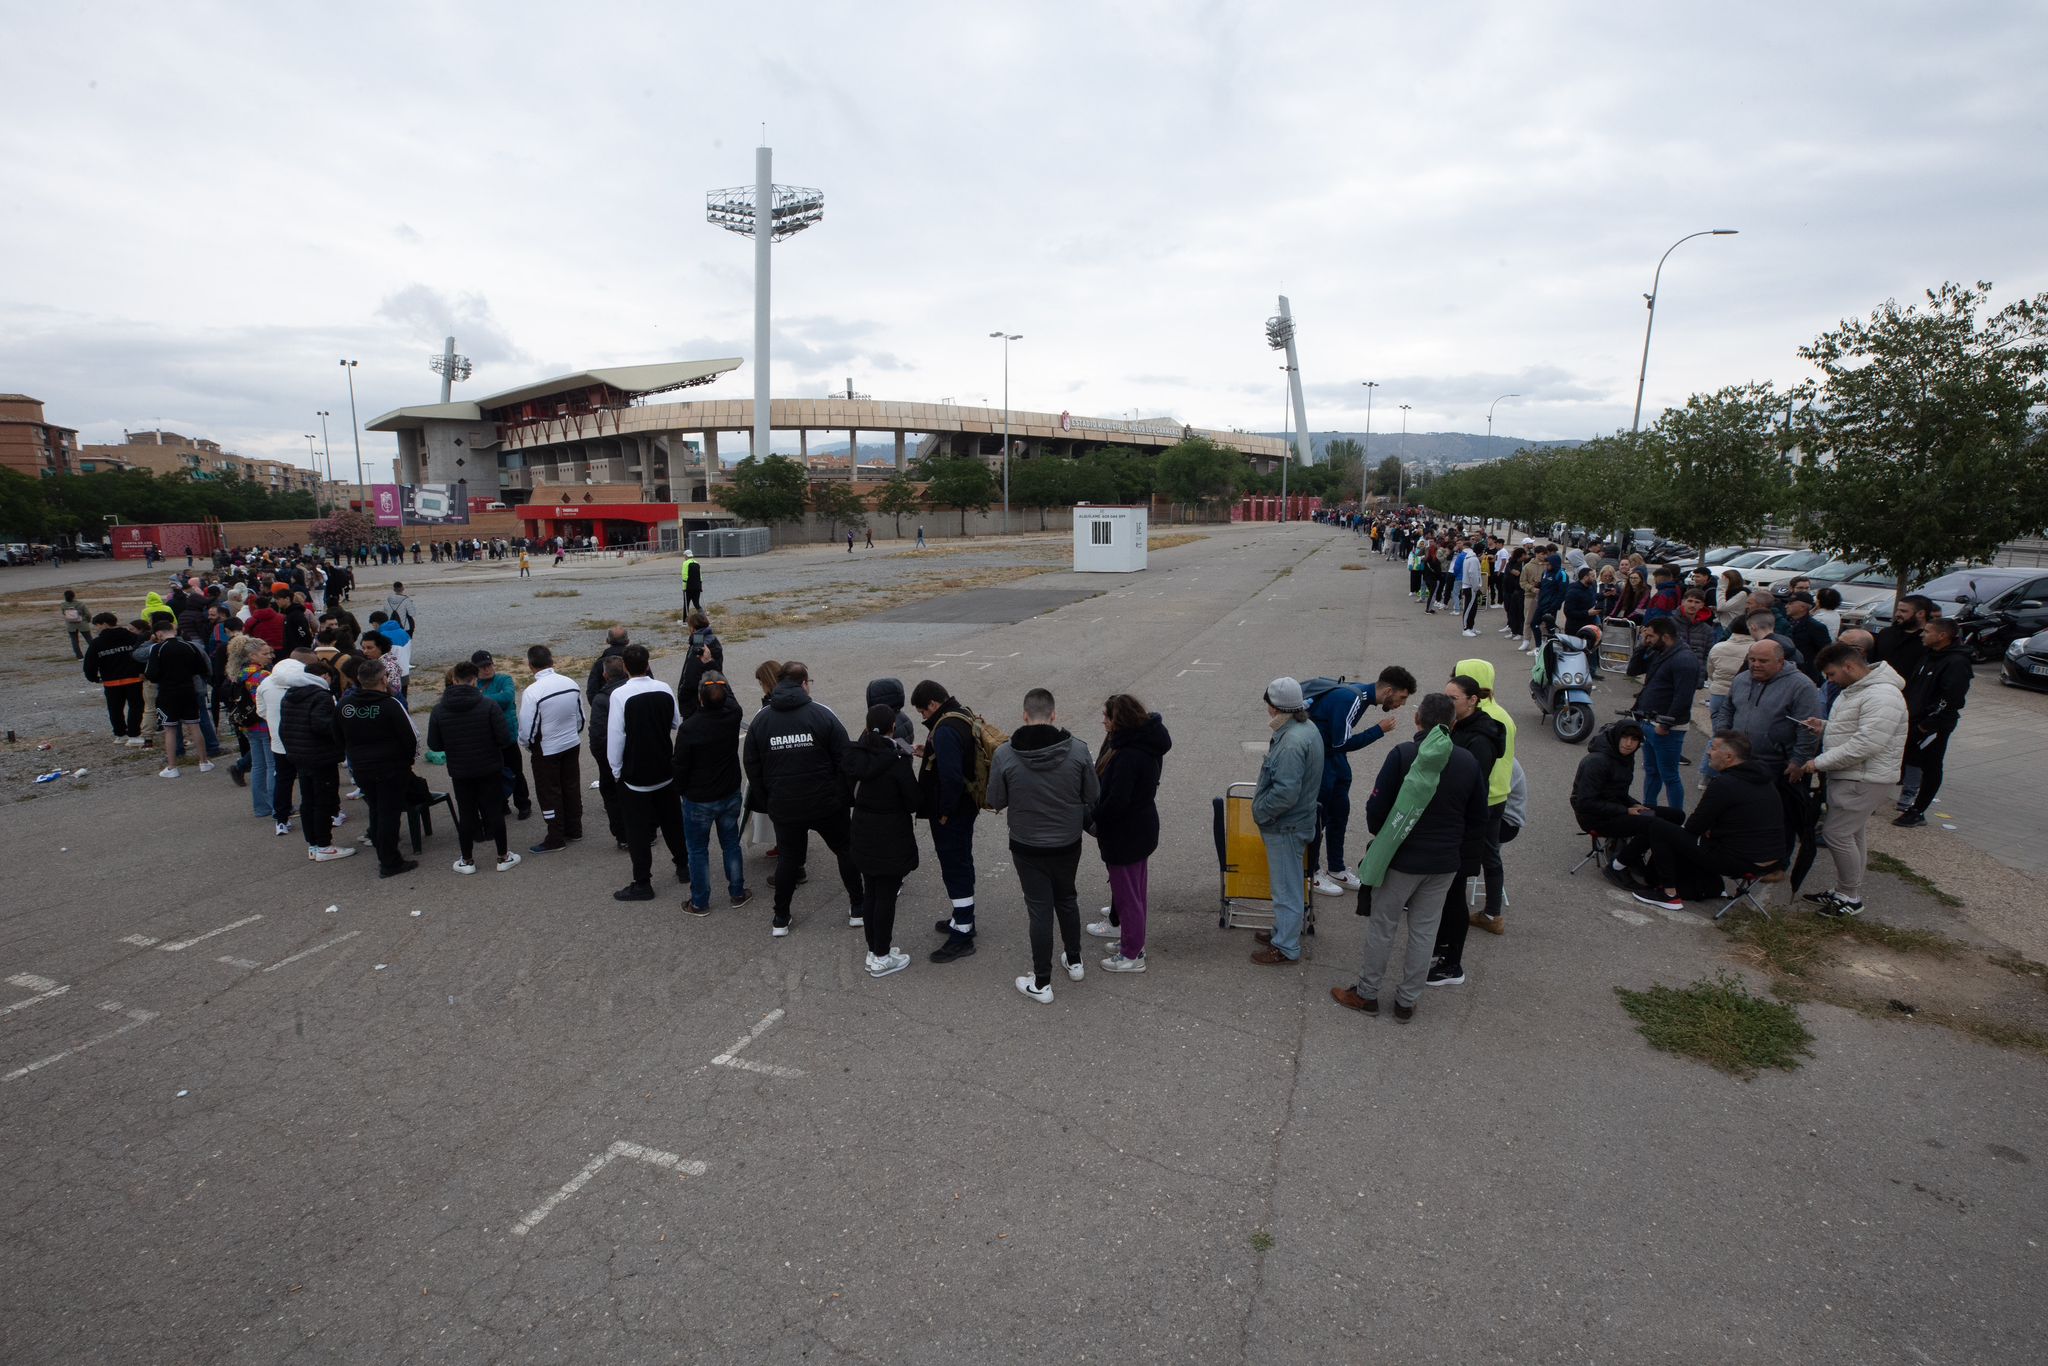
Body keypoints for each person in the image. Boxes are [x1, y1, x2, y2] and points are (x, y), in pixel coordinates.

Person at [1330, 693, 1489, 1022]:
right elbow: (1477, 818)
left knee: (1383, 927)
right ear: (1453, 723)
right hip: (1444, 862)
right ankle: (1406, 1002)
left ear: (1418, 721)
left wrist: (1383, 837)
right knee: (1424, 931)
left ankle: (1367, 993)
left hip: (1401, 859)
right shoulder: (1467, 761)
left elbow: (1376, 808)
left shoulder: (1403, 754)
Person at [985, 688, 1100, 1004]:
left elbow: (995, 799)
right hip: (1067, 841)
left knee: (1039, 909)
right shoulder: (1078, 750)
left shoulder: (1005, 755)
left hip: (1027, 845)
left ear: (1024, 715)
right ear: (1053, 715)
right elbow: (1092, 794)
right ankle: (1074, 961)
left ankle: (1042, 981)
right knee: (1067, 898)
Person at [743, 661, 863, 937]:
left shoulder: (762, 718)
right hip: (827, 803)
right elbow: (844, 758)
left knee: (788, 859)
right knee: (844, 850)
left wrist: (769, 799)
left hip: (785, 805)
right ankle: (858, 907)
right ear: (805, 683)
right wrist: (841, 795)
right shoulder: (823, 714)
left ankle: (780, 919)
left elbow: (752, 765)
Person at [1615, 731, 1785, 910]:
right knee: (1691, 836)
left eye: (1713, 748)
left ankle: (1668, 894)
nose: (1708, 752)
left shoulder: (1724, 783)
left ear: (1728, 756)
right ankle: (1711, 886)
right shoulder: (1764, 779)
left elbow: (1693, 827)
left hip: (1741, 861)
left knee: (1659, 827)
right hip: (1770, 862)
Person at [1797, 642, 1906, 916]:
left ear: (1849, 666)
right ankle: (1846, 891)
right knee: (1853, 834)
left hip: (1864, 777)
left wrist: (1818, 763)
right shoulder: (1859, 690)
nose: (1830, 681)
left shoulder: (1882, 695)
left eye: (1832, 675)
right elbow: (1855, 728)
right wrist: (1825, 727)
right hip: (1855, 774)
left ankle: (1850, 896)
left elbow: (1867, 743)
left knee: (1837, 834)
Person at [1306, 667, 1416, 896]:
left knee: (1340, 813)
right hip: (1323, 763)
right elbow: (1340, 743)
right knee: (1320, 817)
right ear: (1388, 691)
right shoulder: (1352, 699)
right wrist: (1378, 730)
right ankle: (1311, 872)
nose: (1402, 704)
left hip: (1334, 763)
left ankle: (1335, 868)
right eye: (1402, 697)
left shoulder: (1360, 696)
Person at [1083, 694, 1171, 973]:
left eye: (1107, 717)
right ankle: (1132, 942)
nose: (1103, 721)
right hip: (1141, 829)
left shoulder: (1127, 755)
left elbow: (1116, 803)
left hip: (1126, 835)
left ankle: (1132, 954)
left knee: (1128, 897)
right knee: (1136, 892)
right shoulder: (1145, 743)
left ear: (1118, 721)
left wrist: (1091, 816)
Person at [1427, 675, 1505, 988]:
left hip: (1463, 826)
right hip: (1450, 822)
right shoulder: (1456, 726)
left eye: (1453, 698)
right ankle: (1438, 947)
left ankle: (1451, 962)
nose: (1447, 703)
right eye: (1444, 697)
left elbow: (1468, 784)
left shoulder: (1481, 739)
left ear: (1472, 700)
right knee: (1444, 892)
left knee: (1455, 893)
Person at [1248, 678, 1324, 967]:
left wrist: (1261, 812)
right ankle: (1282, 931)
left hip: (1285, 826)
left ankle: (1286, 946)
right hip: (1298, 821)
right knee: (1287, 885)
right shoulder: (1306, 728)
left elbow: (1285, 793)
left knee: (1286, 889)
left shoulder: (1291, 742)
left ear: (1274, 706)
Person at [606, 645, 688, 902]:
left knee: (637, 830)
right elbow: (677, 722)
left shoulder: (620, 695)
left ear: (626, 667)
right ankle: (684, 866)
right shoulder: (664, 688)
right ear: (648, 663)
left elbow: (616, 737)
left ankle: (642, 881)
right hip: (664, 767)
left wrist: (616, 770)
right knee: (673, 821)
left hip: (635, 773)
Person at [843, 702, 919, 977]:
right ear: (894, 727)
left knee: (871, 892)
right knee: (886, 895)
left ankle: (874, 948)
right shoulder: (897, 763)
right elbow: (913, 801)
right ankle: (881, 956)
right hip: (890, 835)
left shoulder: (855, 757)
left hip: (862, 830)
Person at [911, 679, 983, 962]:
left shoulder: (945, 730)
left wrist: (943, 812)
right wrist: (926, 752)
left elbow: (952, 778)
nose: (923, 717)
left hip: (953, 813)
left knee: (955, 867)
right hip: (966, 807)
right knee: (961, 861)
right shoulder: (961, 714)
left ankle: (963, 933)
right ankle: (962, 918)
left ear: (933, 704)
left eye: (923, 712)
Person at [428, 660, 518, 874]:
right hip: (489, 766)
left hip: (461, 769)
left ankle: (467, 860)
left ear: (454, 680)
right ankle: (503, 856)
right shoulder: (488, 705)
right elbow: (503, 737)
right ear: (475, 680)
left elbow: (435, 744)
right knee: (494, 810)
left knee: (466, 813)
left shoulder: (439, 709)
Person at [673, 669, 751, 915]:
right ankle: (737, 892)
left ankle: (700, 901)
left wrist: (681, 790)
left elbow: (680, 766)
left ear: (700, 698)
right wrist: (719, 678)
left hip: (699, 797)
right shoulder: (733, 716)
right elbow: (732, 700)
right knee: (730, 843)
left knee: (697, 850)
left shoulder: (690, 728)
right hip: (728, 792)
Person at [339, 662, 420, 878]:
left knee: (376, 809)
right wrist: (406, 761)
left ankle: (382, 850)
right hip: (390, 768)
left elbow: (336, 736)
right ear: (383, 679)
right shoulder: (390, 705)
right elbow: (409, 738)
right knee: (389, 814)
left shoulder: (345, 705)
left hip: (362, 768)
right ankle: (390, 861)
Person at [1895, 618, 1971, 827]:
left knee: (1931, 766)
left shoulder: (1956, 662)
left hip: (1932, 727)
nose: (1922, 634)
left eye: (1927, 631)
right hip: (1913, 719)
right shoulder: (1929, 655)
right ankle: (1905, 798)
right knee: (1909, 759)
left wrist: (1927, 725)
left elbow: (1953, 699)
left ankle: (1917, 810)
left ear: (1942, 636)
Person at [279, 659, 354, 862]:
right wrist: (340, 725)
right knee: (324, 800)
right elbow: (322, 725)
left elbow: (283, 727)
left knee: (308, 800)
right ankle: (324, 844)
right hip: (320, 756)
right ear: (324, 677)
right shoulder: (320, 696)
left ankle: (313, 844)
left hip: (300, 755)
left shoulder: (291, 694)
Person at [1627, 616, 1703, 814]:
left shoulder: (1684, 660)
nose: (1648, 639)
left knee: (1669, 776)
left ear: (1666, 636)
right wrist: (1642, 647)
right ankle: (1648, 808)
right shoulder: (1659, 652)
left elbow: (1683, 697)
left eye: (1651, 636)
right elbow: (1632, 670)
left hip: (1667, 729)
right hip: (1649, 723)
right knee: (1651, 772)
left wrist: (1665, 725)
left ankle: (1675, 816)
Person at [518, 644, 587, 854]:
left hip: (547, 749)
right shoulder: (570, 683)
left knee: (549, 793)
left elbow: (527, 729)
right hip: (571, 743)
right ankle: (574, 828)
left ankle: (555, 837)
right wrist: (572, 735)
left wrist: (529, 746)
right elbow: (580, 717)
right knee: (572, 786)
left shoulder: (532, 692)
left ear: (530, 665)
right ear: (552, 661)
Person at [144, 611, 213, 778]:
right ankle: (204, 761)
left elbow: (151, 674)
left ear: (159, 634)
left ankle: (172, 766)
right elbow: (201, 669)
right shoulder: (189, 646)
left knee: (170, 730)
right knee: (194, 725)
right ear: (173, 630)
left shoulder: (157, 649)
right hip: (188, 689)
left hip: (167, 692)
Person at [83, 613, 146, 744]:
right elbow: (142, 656)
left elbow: (89, 664)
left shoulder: (97, 643)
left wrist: (94, 678)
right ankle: (134, 735)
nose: (96, 629)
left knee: (115, 709)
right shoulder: (133, 637)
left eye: (97, 625)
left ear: (104, 624)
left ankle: (120, 734)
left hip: (111, 681)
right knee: (136, 707)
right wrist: (143, 671)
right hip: (133, 679)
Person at [588, 656, 631, 848]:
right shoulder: (633, 690)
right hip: (637, 752)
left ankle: (623, 836)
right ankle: (649, 830)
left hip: (612, 755)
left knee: (613, 795)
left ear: (605, 675)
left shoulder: (602, 698)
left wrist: (602, 758)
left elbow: (597, 733)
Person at [1703, 616, 1752, 735]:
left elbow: (1710, 672)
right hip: (1744, 695)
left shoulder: (1718, 647)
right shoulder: (1756, 649)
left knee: (1718, 735)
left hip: (1718, 693)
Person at [1871, 594, 1934, 684]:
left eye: (1903, 611)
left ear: (1921, 614)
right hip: (1881, 686)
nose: (1897, 614)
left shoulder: (1930, 640)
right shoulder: (1886, 633)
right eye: (1897, 610)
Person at [678, 613, 725, 719]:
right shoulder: (713, 640)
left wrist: (682, 696)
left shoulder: (699, 646)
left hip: (696, 701)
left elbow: (691, 675)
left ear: (693, 628)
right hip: (712, 691)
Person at [1783, 593, 1832, 683]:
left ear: (1802, 607)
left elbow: (1826, 651)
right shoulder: (1785, 623)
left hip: (1806, 674)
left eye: (1790, 604)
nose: (1786, 606)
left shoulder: (1816, 627)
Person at [586, 626, 632, 702]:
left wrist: (599, 706)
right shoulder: (636, 660)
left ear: (607, 641)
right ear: (627, 641)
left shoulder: (600, 663)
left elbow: (592, 691)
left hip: (607, 704)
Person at [60, 590, 92, 659]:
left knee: (74, 641)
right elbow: (88, 614)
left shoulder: (63, 605)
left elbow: (64, 613)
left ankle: (79, 657)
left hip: (71, 625)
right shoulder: (81, 604)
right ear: (74, 596)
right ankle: (96, 653)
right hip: (82, 623)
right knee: (89, 639)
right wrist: (87, 621)